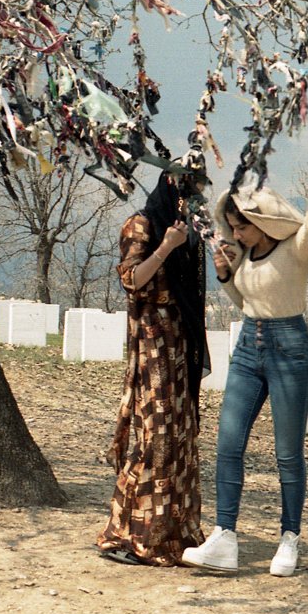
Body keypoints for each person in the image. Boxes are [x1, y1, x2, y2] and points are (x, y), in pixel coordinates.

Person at [182, 134, 308, 577]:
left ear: (262, 222)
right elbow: (247, 304)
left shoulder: (295, 248)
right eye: (232, 227)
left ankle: (289, 539)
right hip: (248, 347)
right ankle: (224, 537)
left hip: (290, 347)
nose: (234, 233)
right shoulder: (244, 257)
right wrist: (224, 275)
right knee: (228, 443)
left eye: (241, 226)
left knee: (287, 453)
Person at [96, 170, 211, 567]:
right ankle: (128, 535)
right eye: (188, 194)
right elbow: (131, 279)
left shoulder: (189, 231)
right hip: (153, 342)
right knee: (156, 438)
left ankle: (173, 533)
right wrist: (165, 247)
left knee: (181, 439)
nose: (192, 202)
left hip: (180, 343)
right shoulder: (141, 224)